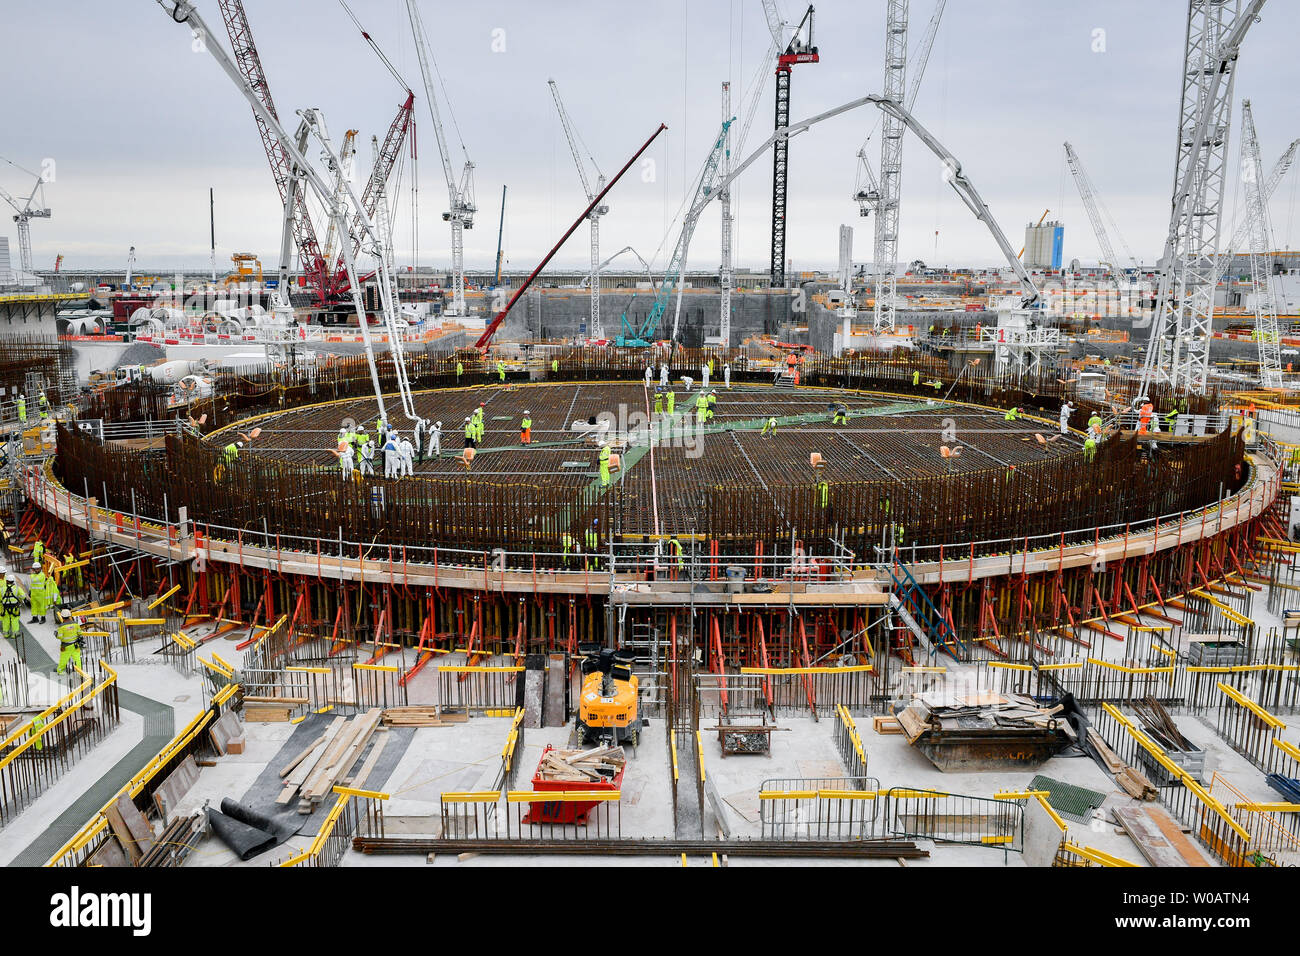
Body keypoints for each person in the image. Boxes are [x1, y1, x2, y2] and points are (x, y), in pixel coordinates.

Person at [56, 609, 83, 675]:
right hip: (75, 645)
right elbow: (80, 633)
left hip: (66, 646)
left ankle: (60, 671)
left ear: (62, 617)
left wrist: (56, 634)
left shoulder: (61, 627)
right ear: (70, 616)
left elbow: (60, 636)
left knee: (64, 659)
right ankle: (79, 672)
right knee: (77, 659)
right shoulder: (75, 624)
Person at [0, 573, 25, 642]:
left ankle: (6, 634)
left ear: (6, 581)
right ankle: (15, 634)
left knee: (6, 620)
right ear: (13, 581)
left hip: (5, 608)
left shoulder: (2, 589)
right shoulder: (17, 588)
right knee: (14, 620)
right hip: (14, 607)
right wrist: (18, 599)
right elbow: (23, 596)